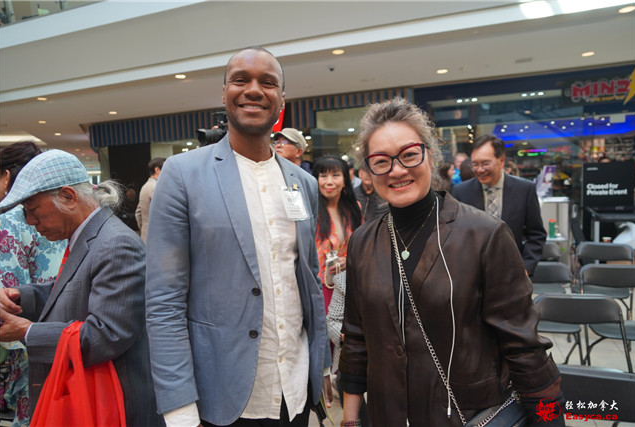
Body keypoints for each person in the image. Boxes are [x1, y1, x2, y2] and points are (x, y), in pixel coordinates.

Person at [339, 98, 563, 426]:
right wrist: (349, 420)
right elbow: (356, 339)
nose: (396, 170)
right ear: (369, 172)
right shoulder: (363, 242)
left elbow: (524, 347)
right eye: (381, 161)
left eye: (409, 154)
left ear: (430, 156)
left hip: (464, 414)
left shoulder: (484, 234)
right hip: (388, 414)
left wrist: (549, 419)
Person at [144, 46, 330, 427]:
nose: (254, 90)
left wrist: (321, 366)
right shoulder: (182, 175)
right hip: (222, 397)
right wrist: (180, 408)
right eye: (241, 80)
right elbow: (164, 301)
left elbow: (307, 282)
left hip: (295, 390)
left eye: (268, 82)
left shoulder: (303, 183)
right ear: (224, 92)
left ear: (282, 100)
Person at [0, 149, 162, 426]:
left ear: (68, 197)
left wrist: (27, 332)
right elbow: (69, 290)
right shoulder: (90, 236)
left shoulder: (116, 244)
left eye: (33, 210)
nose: (29, 222)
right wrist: (18, 297)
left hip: (109, 406)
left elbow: (106, 335)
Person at [0, 141, 66, 426]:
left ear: (6, 176)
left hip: (27, 340)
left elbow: (8, 296)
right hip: (66, 330)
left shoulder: (9, 222)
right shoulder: (65, 212)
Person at [311, 155, 367, 426]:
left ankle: (350, 408)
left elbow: (363, 247)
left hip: (347, 288)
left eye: (335, 175)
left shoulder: (354, 208)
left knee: (347, 346)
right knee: (326, 346)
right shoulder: (310, 210)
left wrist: (350, 260)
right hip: (320, 289)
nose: (329, 181)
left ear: (346, 179)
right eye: (323, 175)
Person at [452, 135, 546, 275]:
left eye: (485, 164)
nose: (479, 170)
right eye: (475, 164)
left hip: (513, 273)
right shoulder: (461, 192)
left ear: (501, 161)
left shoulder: (524, 190)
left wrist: (525, 267)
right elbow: (454, 235)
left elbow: (536, 234)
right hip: (472, 274)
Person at [135, 157, 165, 243]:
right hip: (158, 238)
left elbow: (138, 213)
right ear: (157, 170)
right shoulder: (157, 187)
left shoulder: (145, 186)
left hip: (146, 236)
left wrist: (144, 228)